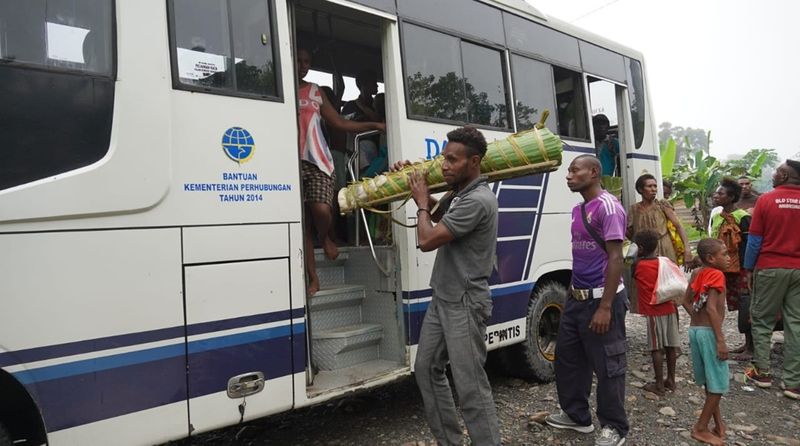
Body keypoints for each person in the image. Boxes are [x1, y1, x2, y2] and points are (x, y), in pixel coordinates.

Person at [392, 127, 501, 446]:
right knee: (426, 369)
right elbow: (443, 216)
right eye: (444, 158)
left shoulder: (479, 199)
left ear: (474, 162)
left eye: (452, 160)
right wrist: (413, 185)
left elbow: (427, 239)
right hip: (445, 297)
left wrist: (422, 204)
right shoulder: (461, 194)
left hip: (465, 301)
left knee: (470, 388)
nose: (445, 165)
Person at [545, 155, 628, 446]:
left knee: (609, 365)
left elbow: (616, 258)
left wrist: (605, 307)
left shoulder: (608, 207)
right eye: (568, 170)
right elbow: (581, 258)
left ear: (593, 173)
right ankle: (577, 416)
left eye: (574, 170)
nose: (568, 175)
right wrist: (571, 294)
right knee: (568, 359)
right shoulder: (578, 210)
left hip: (602, 300)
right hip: (577, 299)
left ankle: (614, 427)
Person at [296, 48, 385, 295]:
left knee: (322, 210)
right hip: (291, 161)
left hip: (318, 160)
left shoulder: (315, 91)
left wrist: (375, 124)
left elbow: (340, 123)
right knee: (302, 224)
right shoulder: (281, 89)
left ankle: (325, 236)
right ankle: (313, 278)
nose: (303, 66)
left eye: (307, 62)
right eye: (298, 61)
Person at [743, 160, 800, 399]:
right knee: (795, 324)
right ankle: (793, 383)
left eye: (776, 172)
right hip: (798, 270)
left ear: (785, 175)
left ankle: (762, 372)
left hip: (769, 267)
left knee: (762, 320)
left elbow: (755, 240)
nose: (774, 175)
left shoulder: (766, 200)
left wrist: (748, 269)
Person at [681, 238, 730, 446]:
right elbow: (711, 309)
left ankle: (718, 423)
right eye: (725, 254)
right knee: (718, 384)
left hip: (696, 331)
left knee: (711, 381)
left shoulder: (697, 273)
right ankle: (700, 428)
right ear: (711, 258)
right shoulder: (717, 274)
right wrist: (720, 340)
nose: (728, 258)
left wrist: (695, 318)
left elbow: (685, 300)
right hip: (710, 333)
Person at [708, 178, 752, 360]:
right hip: (723, 267)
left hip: (741, 268)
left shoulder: (743, 217)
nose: (716, 196)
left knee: (746, 305)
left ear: (731, 197)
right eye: (716, 193)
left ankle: (751, 346)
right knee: (728, 303)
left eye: (721, 193)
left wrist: (749, 270)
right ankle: (740, 343)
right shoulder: (717, 216)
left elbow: (749, 245)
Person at [633, 229, 680, 396]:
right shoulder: (665, 262)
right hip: (669, 308)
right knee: (670, 346)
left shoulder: (639, 265)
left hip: (653, 311)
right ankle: (671, 380)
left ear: (640, 248)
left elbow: (634, 275)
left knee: (656, 349)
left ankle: (659, 384)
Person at [627, 173, 692, 267]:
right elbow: (629, 232)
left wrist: (687, 249)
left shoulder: (662, 205)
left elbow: (678, 226)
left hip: (664, 248)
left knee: (667, 278)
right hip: (644, 252)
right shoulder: (633, 209)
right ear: (640, 189)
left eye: (655, 186)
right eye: (649, 186)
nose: (653, 189)